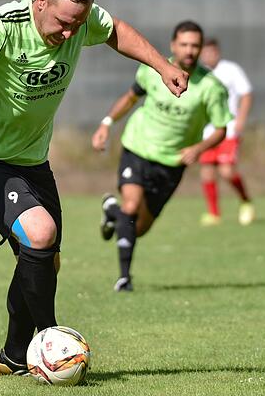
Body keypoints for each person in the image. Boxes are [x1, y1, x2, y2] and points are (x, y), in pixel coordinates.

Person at [0, 0, 188, 375]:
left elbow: (116, 29)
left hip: (31, 161)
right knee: (41, 233)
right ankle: (50, 343)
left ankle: (14, 355)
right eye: (63, 23)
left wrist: (160, 65)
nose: (70, 34)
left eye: (78, 25)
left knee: (45, 260)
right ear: (40, 0)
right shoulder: (3, 24)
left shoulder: (82, 20)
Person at [92, 20, 232, 292]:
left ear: (201, 48)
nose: (190, 50)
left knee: (139, 227)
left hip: (171, 163)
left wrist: (198, 148)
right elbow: (131, 98)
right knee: (131, 207)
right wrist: (106, 123)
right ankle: (124, 278)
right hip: (138, 147)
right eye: (184, 44)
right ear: (173, 45)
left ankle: (112, 211)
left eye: (195, 45)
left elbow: (221, 129)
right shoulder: (153, 69)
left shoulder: (211, 87)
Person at [197, 38, 254, 226]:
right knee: (207, 173)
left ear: (218, 52)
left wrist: (241, 121)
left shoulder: (231, 70)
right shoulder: (198, 73)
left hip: (228, 130)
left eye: (211, 52)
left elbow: (246, 94)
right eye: (204, 52)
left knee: (227, 171)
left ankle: (245, 201)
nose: (208, 56)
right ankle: (214, 213)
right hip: (206, 133)